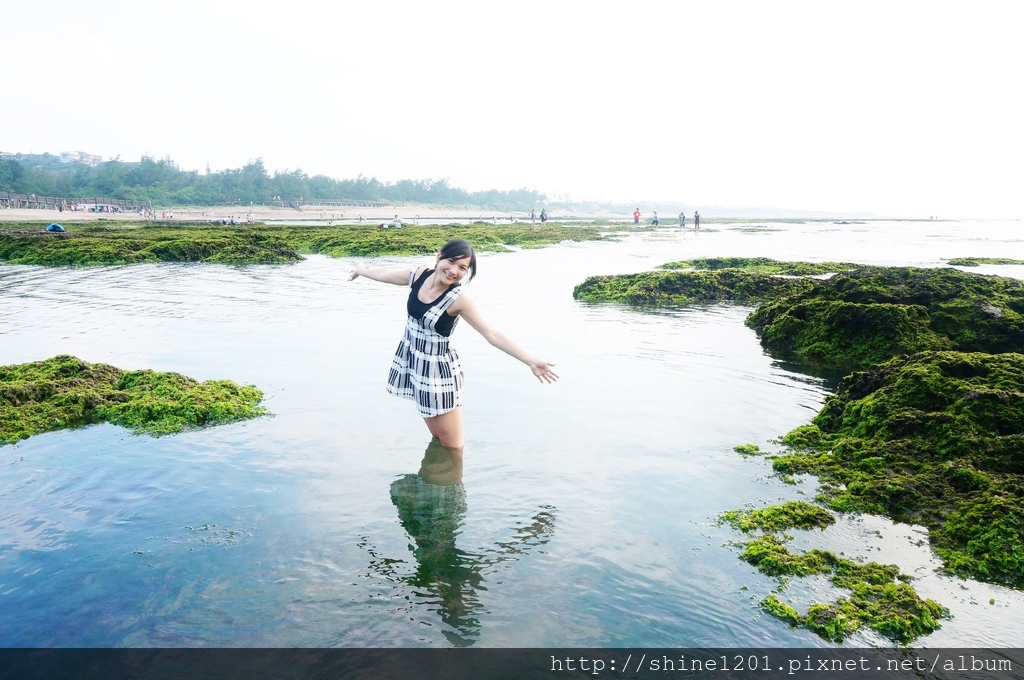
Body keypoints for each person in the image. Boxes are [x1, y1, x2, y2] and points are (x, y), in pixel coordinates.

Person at [348, 239, 558, 462]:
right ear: (439, 256)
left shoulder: (458, 301)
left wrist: (531, 361)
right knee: (439, 439)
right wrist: (362, 270)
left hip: (440, 373)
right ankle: (435, 486)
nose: (454, 271)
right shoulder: (418, 275)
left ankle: (453, 490)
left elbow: (492, 334)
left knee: (454, 447)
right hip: (415, 363)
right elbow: (386, 275)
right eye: (452, 262)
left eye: (462, 268)